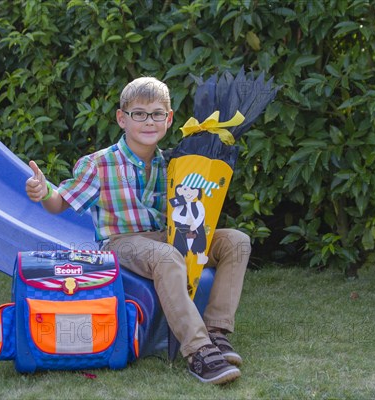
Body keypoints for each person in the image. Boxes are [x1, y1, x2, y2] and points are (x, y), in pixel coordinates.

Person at [25, 77, 250, 385]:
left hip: (168, 237)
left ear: (169, 120)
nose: (149, 121)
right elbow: (59, 203)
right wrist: (42, 190)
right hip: (121, 242)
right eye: (139, 113)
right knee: (168, 255)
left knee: (236, 241)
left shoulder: (174, 163)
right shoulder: (99, 164)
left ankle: (216, 332)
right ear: (122, 118)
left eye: (157, 114)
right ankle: (198, 351)